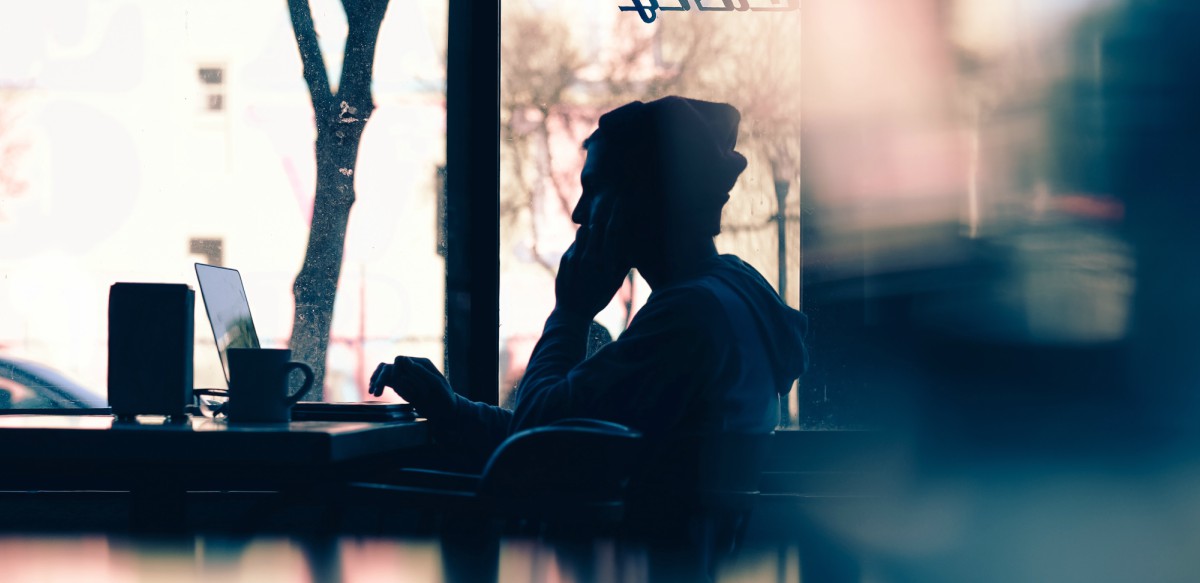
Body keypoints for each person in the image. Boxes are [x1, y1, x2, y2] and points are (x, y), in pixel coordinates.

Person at [369, 96, 809, 463]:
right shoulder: (730, 292)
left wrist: (571, 313)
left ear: (648, 197)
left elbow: (536, 440)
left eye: (596, 189)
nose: (581, 213)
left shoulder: (687, 317)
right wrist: (451, 409)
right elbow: (566, 425)